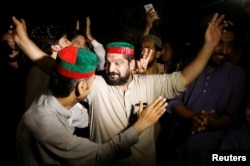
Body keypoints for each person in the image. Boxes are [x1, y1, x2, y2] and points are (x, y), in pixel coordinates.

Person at [12, 13, 227, 166]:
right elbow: (54, 67)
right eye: (109, 62)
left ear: (132, 65)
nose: (110, 68)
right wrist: (25, 42)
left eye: (118, 63)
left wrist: (208, 46)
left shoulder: (150, 84)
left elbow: (185, 77)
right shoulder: (96, 85)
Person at [16, 46, 167, 166]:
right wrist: (140, 125)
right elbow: (98, 156)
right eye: (94, 80)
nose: (97, 82)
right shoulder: (46, 124)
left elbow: (85, 117)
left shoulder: (52, 98)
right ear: (81, 88)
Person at [164, 19, 247, 166]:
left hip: (214, 148)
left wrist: (210, 122)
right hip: (179, 145)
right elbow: (174, 102)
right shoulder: (189, 67)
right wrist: (192, 117)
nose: (224, 50)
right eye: (220, 43)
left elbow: (233, 115)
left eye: (230, 45)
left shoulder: (237, 75)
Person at [25, 24, 72, 110]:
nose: (70, 43)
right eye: (66, 40)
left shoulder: (42, 67)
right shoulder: (45, 71)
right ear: (55, 47)